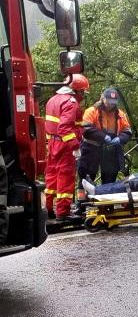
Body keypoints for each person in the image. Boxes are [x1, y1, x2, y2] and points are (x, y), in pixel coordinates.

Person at [44, 74, 89, 220]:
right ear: (76, 90)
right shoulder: (71, 102)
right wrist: (75, 146)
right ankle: (63, 212)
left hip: (52, 143)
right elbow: (64, 128)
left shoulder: (53, 100)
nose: (83, 95)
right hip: (65, 144)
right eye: (82, 91)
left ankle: (49, 209)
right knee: (65, 176)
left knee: (52, 175)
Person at [78, 86, 133, 189]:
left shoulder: (120, 114)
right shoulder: (91, 111)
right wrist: (103, 137)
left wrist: (119, 139)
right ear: (102, 99)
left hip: (111, 149)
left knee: (110, 178)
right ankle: (82, 202)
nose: (111, 104)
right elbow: (86, 129)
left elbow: (127, 131)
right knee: (86, 177)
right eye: (109, 101)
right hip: (91, 148)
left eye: (113, 102)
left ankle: (106, 202)